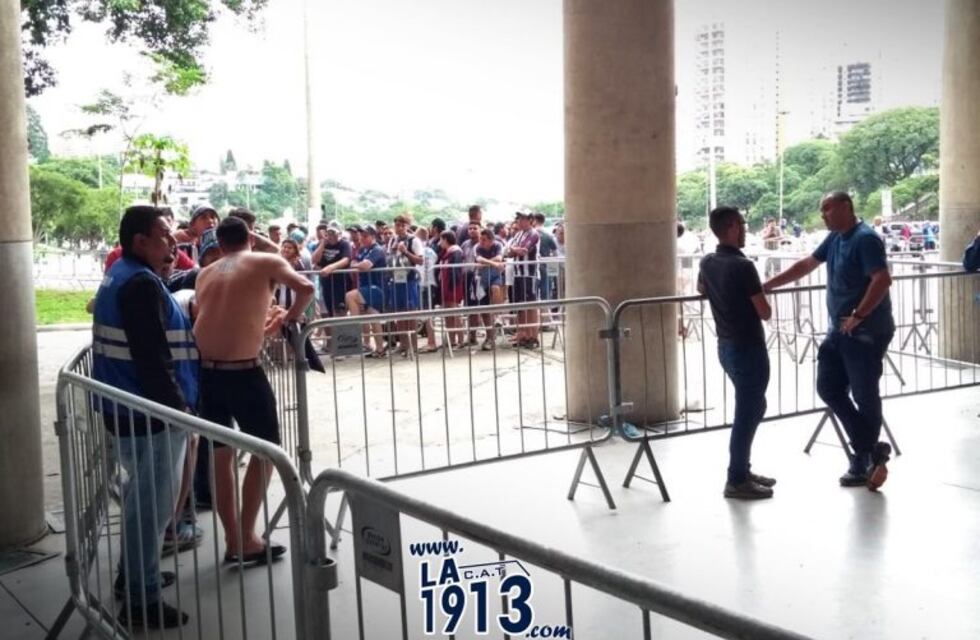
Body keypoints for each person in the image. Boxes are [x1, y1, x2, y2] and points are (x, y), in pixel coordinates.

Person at [92, 205, 198, 628]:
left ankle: (134, 577)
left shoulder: (126, 276)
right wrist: (179, 412)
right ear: (140, 241)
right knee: (149, 510)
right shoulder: (138, 284)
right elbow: (153, 362)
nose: (173, 243)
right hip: (148, 415)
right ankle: (141, 601)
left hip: (131, 409)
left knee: (143, 504)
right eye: (165, 236)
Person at [194, 217, 314, 565]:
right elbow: (306, 287)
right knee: (267, 452)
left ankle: (234, 537)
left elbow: (219, 317)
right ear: (250, 237)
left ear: (220, 242)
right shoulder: (265, 261)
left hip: (207, 372)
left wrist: (267, 323)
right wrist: (288, 318)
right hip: (243, 371)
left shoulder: (208, 272)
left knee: (221, 454)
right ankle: (246, 536)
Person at [764, 192, 894, 490]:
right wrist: (769, 284)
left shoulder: (864, 239)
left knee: (864, 394)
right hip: (839, 331)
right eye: (821, 210)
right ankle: (871, 451)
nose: (823, 214)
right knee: (828, 387)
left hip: (865, 332)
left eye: (828, 208)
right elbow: (807, 264)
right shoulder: (835, 239)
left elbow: (882, 279)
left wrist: (859, 315)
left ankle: (863, 460)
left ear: (847, 207)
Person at [697, 207, 774, 499]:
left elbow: (702, 290)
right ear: (731, 227)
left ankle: (742, 468)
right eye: (742, 224)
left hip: (726, 346)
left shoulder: (707, 262)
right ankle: (736, 477)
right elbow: (764, 312)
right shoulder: (744, 267)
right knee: (747, 412)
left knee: (754, 407)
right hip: (749, 347)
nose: (745, 229)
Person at [345, 226, 388, 356]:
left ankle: (355, 330)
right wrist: (356, 265)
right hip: (366, 287)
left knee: (350, 296)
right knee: (372, 316)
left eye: (365, 236)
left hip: (377, 288)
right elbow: (354, 262)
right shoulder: (363, 249)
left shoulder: (377, 250)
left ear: (373, 236)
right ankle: (379, 349)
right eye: (361, 236)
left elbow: (365, 265)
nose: (362, 239)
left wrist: (356, 265)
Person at [506, 210, 540, 348]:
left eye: (522, 218)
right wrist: (514, 249)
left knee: (531, 305)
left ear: (530, 220)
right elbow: (508, 251)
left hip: (529, 274)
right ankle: (523, 334)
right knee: (521, 306)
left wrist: (513, 249)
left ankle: (533, 336)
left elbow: (523, 250)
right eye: (518, 218)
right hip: (518, 274)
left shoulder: (533, 234)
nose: (519, 221)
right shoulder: (519, 234)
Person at [312, 225, 353, 319]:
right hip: (326, 283)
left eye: (333, 233)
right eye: (328, 234)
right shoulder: (322, 244)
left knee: (340, 310)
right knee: (328, 310)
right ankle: (332, 333)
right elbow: (314, 259)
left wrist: (331, 267)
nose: (331, 236)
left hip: (341, 283)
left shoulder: (344, 244)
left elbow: (346, 259)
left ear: (338, 234)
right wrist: (322, 244)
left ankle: (341, 332)